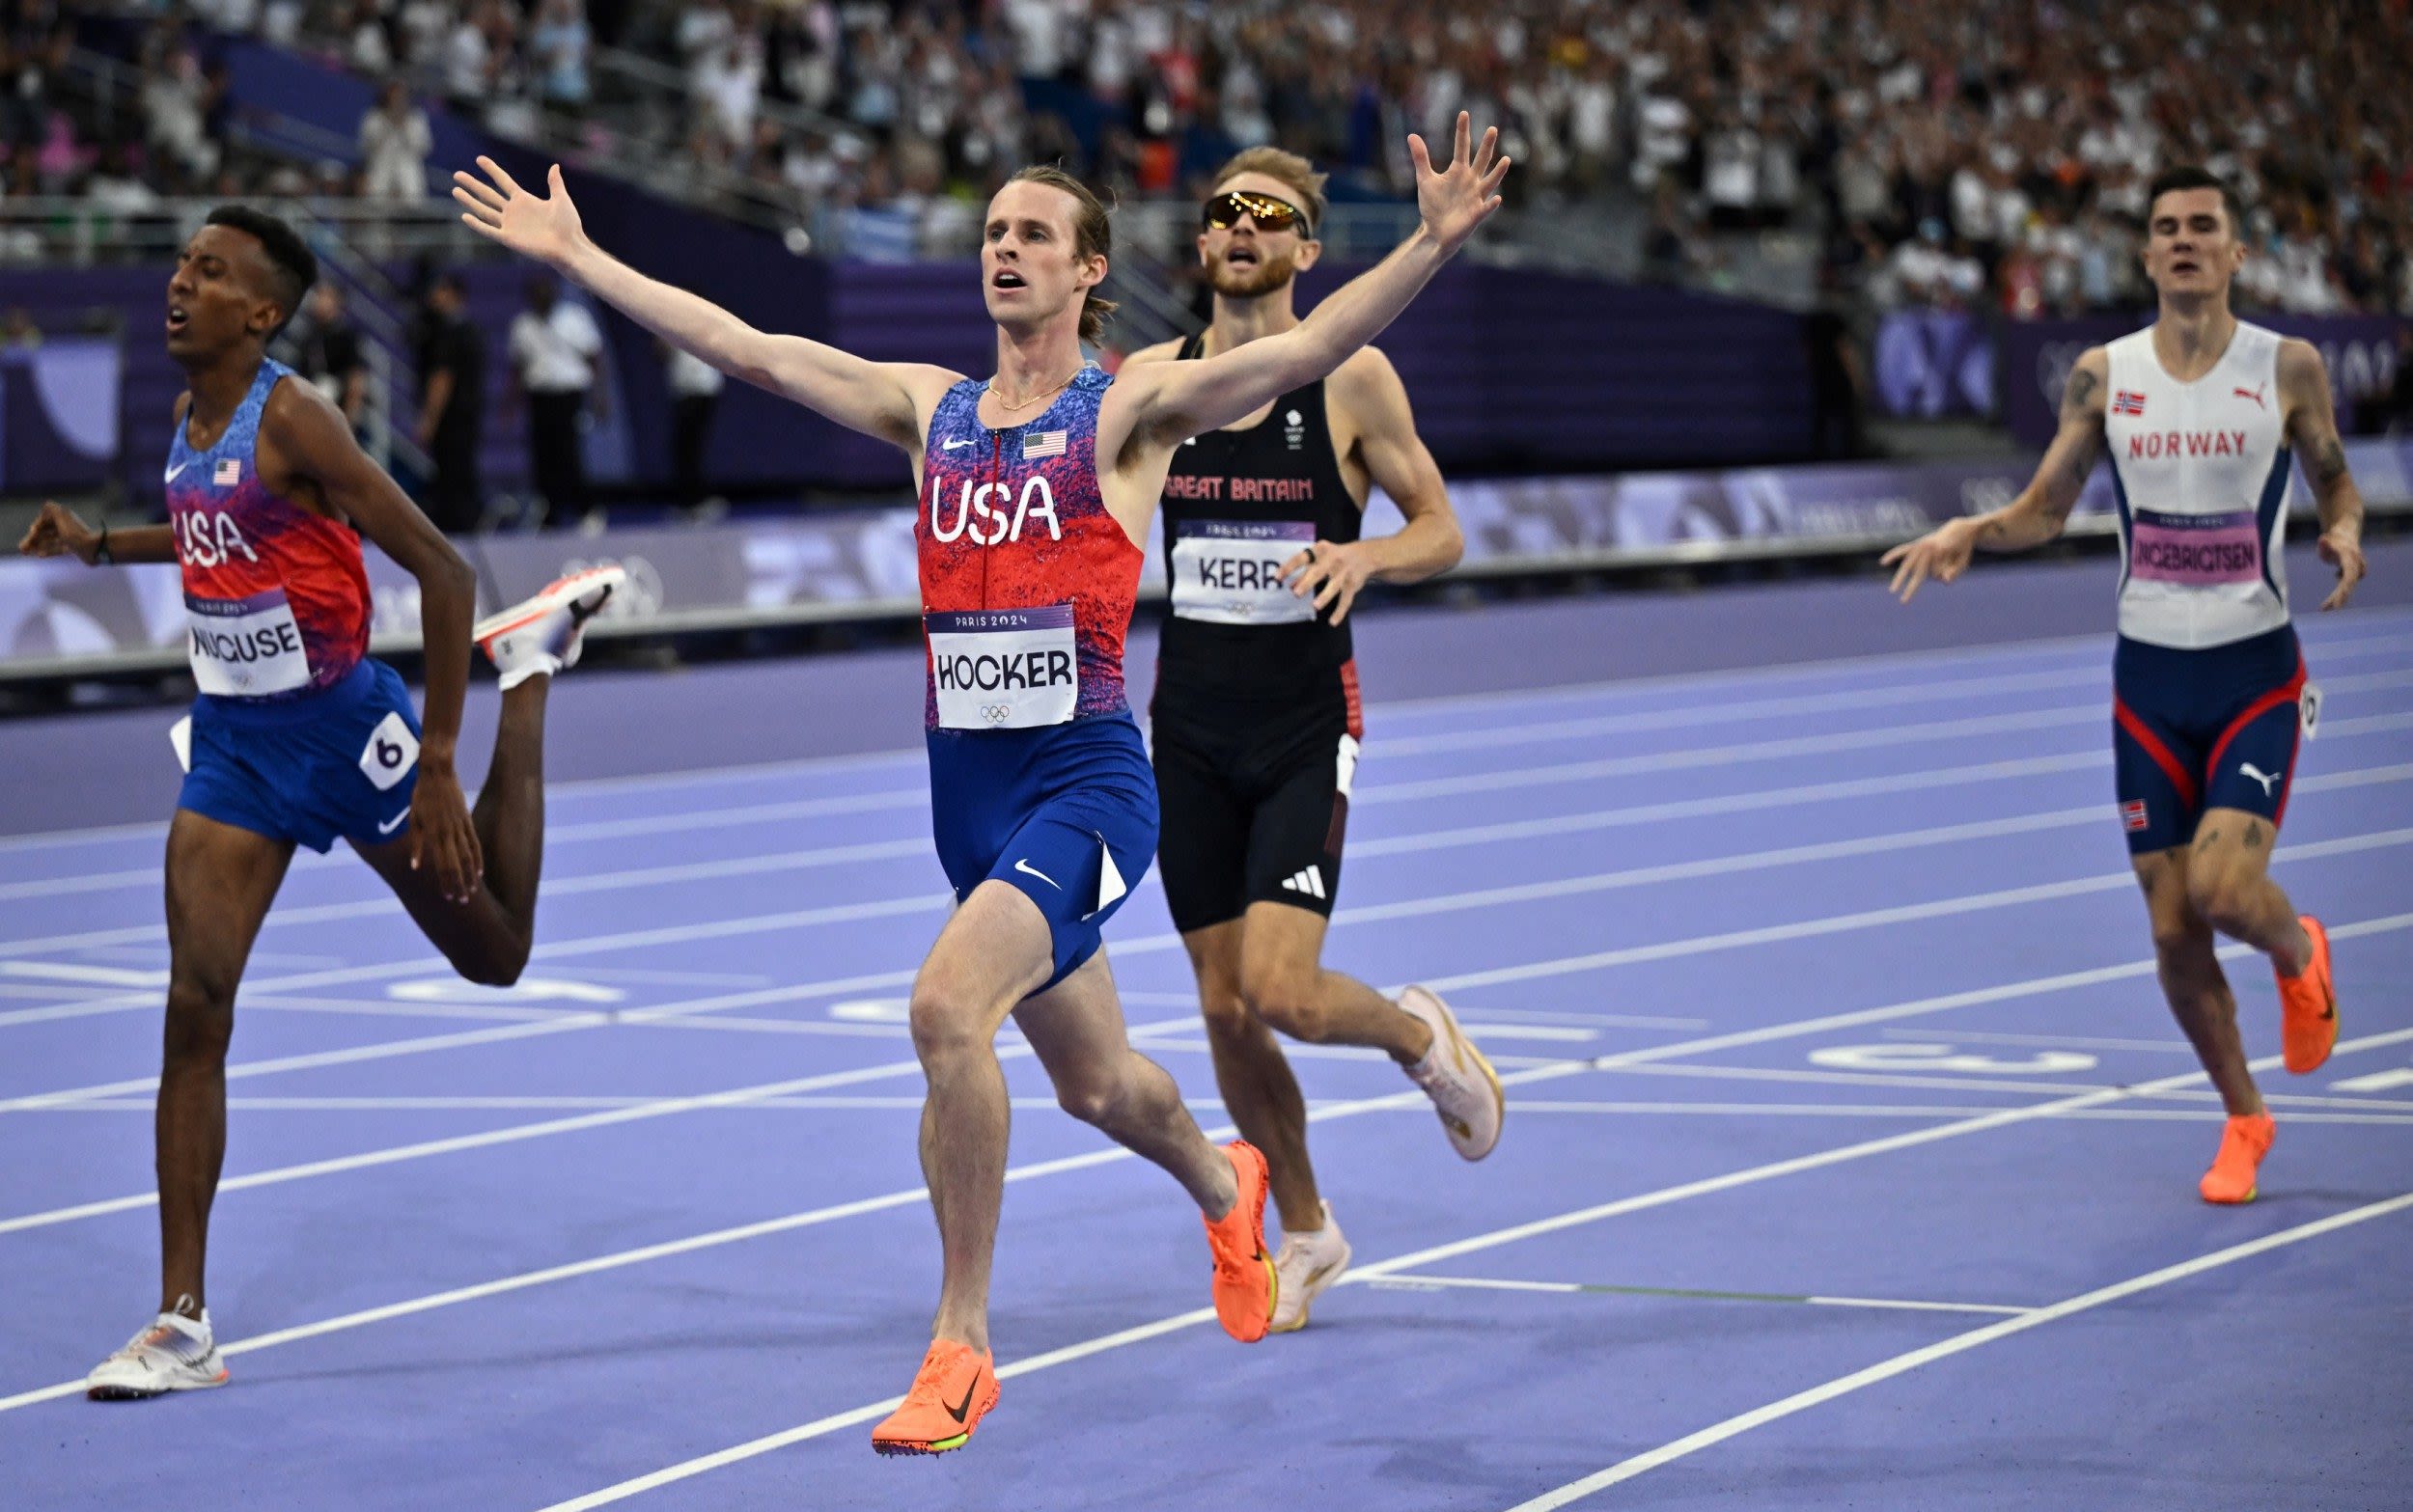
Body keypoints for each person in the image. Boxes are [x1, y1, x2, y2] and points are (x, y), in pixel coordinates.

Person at [455, 112, 1512, 1454]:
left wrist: (1427, 239)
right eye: (992, 233)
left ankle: (961, 1343)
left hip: (1088, 784)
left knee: (946, 1008)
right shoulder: (929, 407)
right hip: (970, 800)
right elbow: (744, 346)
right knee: (1098, 1083)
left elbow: (1306, 348)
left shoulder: (1126, 413)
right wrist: (583, 253)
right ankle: (1225, 1176)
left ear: (1089, 277)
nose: (1004, 249)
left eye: (1034, 235)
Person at [15, 206, 623, 1401]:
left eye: (210, 272)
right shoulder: (191, 423)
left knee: (496, 952)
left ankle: (534, 671)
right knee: (195, 1005)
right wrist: (99, 546)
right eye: (183, 264)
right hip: (237, 744)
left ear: (264, 311)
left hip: (350, 731)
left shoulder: (293, 414)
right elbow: (206, 534)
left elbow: (441, 569)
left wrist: (442, 753)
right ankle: (181, 1321)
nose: (180, 285)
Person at [1881, 166, 2369, 1206]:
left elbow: (2333, 473)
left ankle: (2296, 945)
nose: (2184, 241)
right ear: (2144, 256)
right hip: (2146, 681)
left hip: (2251, 673)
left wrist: (2344, 530)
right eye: (2165, 229)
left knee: (2223, 891)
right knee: (2168, 931)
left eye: (2204, 226)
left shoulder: (2285, 367)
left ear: (2237, 254)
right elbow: (2047, 506)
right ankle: (2244, 1116)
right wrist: (1975, 528)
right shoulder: (2105, 375)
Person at [1120, 148, 1499, 1333]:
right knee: (1224, 1010)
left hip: (1299, 726)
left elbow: (1440, 527)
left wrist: (1365, 555)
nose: (1241, 229)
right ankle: (1309, 1231)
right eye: (1223, 212)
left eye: (1268, 217)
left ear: (1303, 249)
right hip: (1182, 731)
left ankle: (1413, 1034)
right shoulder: (1148, 380)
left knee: (1281, 991)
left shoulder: (1352, 381)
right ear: (1201, 243)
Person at [506, 271, 605, 529]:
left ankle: (587, 509)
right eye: (536, 293)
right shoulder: (522, 325)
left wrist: (600, 395)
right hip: (539, 395)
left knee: (569, 453)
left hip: (569, 394)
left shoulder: (574, 318)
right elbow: (517, 368)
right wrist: (510, 404)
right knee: (543, 455)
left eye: (546, 291)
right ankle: (551, 513)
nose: (542, 297)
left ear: (555, 292)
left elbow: (594, 358)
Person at [415, 272, 485, 533]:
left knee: (452, 476)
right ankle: (468, 525)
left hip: (452, 419)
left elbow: (442, 379)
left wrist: (429, 419)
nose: (434, 297)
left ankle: (457, 532)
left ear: (454, 294)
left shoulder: (449, 333)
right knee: (463, 472)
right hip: (469, 415)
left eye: (441, 290)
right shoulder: (472, 331)